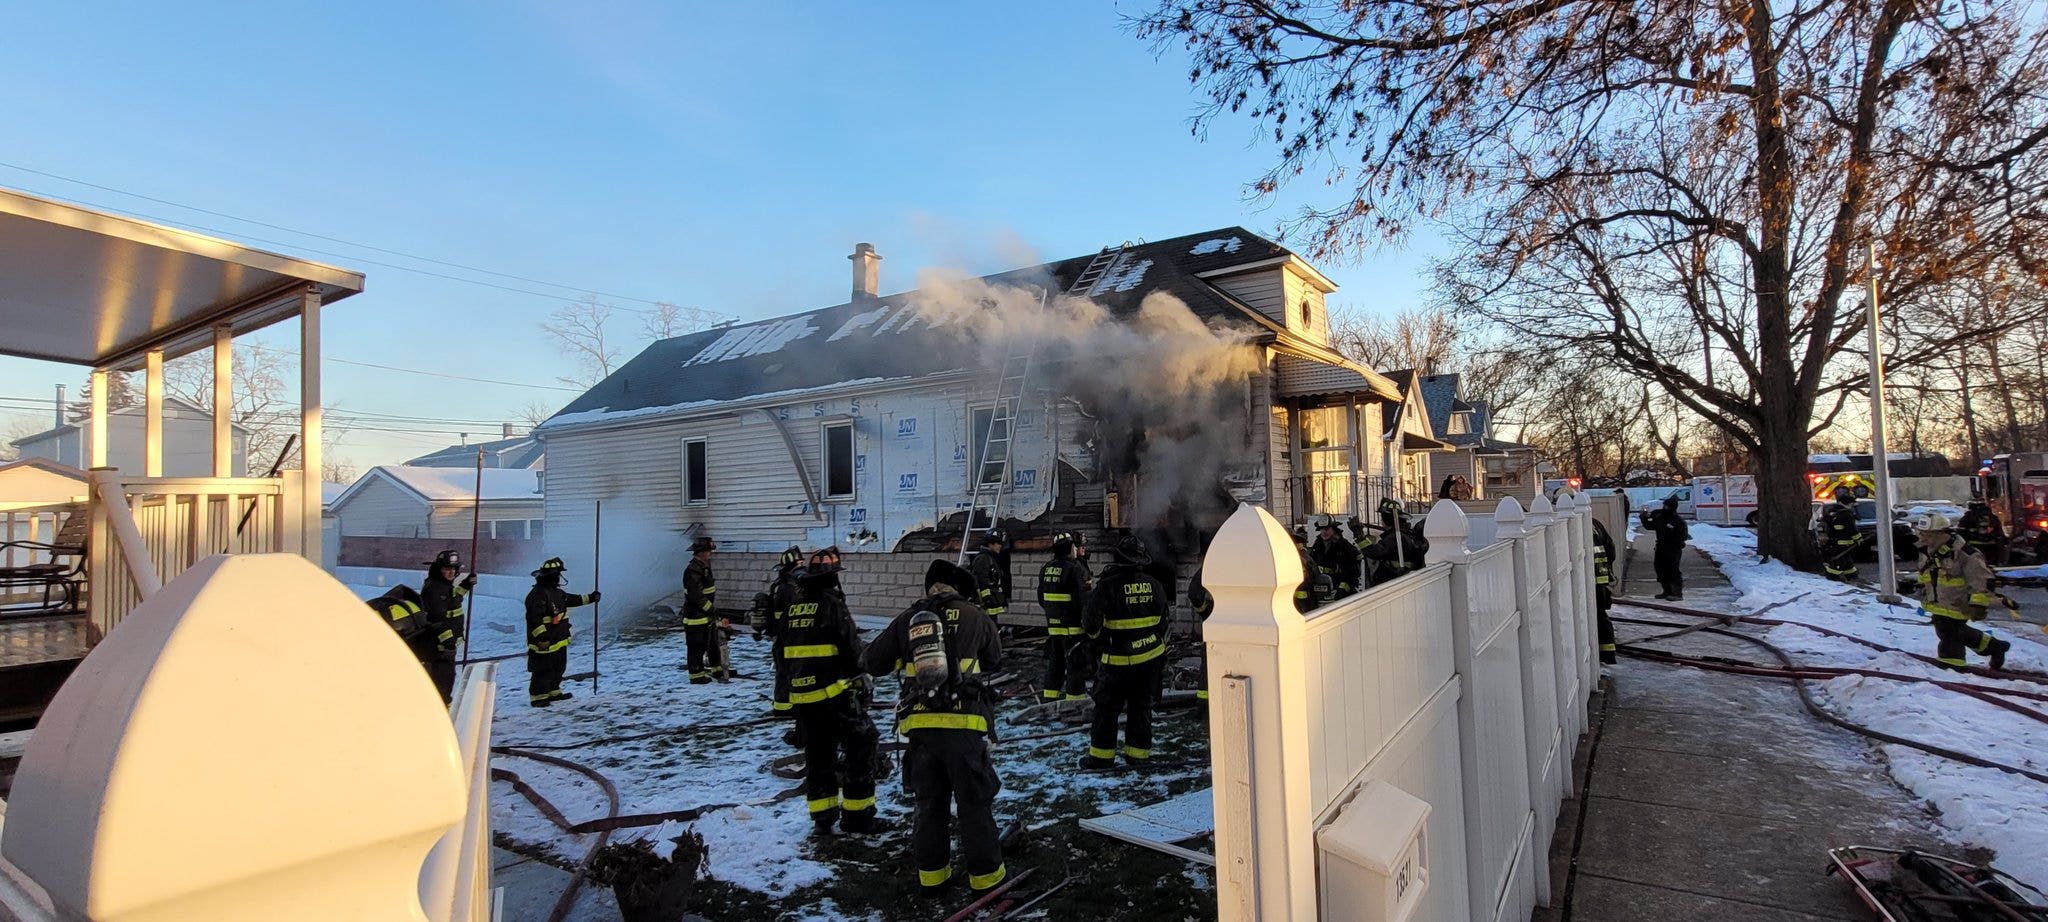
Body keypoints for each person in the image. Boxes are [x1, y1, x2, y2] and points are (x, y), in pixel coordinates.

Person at [862, 560, 1005, 897]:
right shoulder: (975, 615)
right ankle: (986, 880)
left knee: (929, 804)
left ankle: (933, 878)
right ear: (959, 588)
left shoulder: (908, 620)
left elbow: (873, 662)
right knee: (974, 804)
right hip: (965, 725)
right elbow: (996, 659)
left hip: (921, 729)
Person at [778, 546, 882, 836]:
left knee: (818, 755)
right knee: (862, 745)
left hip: (804, 699)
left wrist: (791, 687)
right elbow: (852, 651)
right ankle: (858, 816)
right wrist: (861, 677)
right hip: (834, 695)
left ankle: (822, 817)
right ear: (829, 580)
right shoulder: (832, 605)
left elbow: (779, 655)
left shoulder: (792, 609)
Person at [1081, 535, 1170, 769]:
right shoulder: (1155, 584)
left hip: (1117, 660)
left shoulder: (1107, 586)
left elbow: (1091, 623)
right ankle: (1138, 757)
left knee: (1107, 709)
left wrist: (1097, 643)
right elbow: (1163, 621)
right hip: (1150, 658)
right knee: (1141, 708)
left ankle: (1101, 758)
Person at [1914, 513, 2010, 671]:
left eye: (1928, 535)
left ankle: (1951, 666)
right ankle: (1995, 647)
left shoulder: (1966, 554)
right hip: (1939, 603)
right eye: (1922, 534)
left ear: (1942, 534)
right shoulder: (1927, 550)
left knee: (1949, 634)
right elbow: (1927, 575)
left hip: (1958, 603)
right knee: (1956, 632)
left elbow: (1981, 580)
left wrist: (1978, 605)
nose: (1923, 539)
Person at [524, 557, 598, 706]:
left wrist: (591, 597)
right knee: (542, 669)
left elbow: (572, 599)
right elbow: (534, 619)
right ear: (551, 576)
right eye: (557, 574)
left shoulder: (556, 593)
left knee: (558, 667)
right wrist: (542, 637)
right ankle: (538, 697)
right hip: (544, 642)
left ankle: (553, 691)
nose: (559, 577)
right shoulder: (537, 595)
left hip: (558, 639)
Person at [1036, 532, 1093, 700]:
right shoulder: (1074, 569)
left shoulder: (1046, 568)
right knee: (1076, 664)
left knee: (1056, 663)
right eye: (1074, 547)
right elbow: (1082, 600)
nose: (1076, 549)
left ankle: (1049, 697)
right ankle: (1075, 702)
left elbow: (1041, 598)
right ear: (1069, 549)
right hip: (1073, 626)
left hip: (1054, 625)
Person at [419, 549, 476, 703]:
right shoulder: (433, 589)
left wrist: (466, 584)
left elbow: (454, 599)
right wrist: (447, 640)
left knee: (447, 679)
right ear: (439, 570)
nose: (451, 573)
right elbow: (435, 617)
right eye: (446, 569)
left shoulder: (444, 585)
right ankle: (441, 712)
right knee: (442, 682)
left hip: (447, 646)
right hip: (439, 647)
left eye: (453, 569)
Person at [760, 546, 804, 716]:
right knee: (787, 673)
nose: (801, 568)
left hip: (784, 638)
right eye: (798, 564)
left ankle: (784, 705)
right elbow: (786, 618)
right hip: (787, 639)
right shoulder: (788, 588)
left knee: (786, 672)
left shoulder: (784, 585)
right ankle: (784, 707)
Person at [682, 537, 720, 683]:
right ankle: (696, 676)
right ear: (700, 552)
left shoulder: (704, 566)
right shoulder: (692, 570)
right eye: (708, 551)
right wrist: (711, 609)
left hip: (704, 615)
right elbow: (696, 596)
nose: (711, 553)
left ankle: (716, 669)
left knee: (710, 643)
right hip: (695, 617)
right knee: (696, 647)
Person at [1644, 494, 1691, 600]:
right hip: (1661, 547)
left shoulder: (1678, 521)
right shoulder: (1661, 518)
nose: (1664, 508)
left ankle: (1677, 593)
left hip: (1673, 549)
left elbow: (1682, 536)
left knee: (1673, 570)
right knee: (1660, 569)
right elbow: (1650, 526)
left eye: (1667, 506)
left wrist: (1675, 544)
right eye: (1664, 506)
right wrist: (1644, 518)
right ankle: (1666, 591)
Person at [1310, 517, 1362, 599]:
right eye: (1321, 529)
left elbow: (1351, 570)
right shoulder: (1317, 543)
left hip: (1339, 582)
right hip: (1322, 583)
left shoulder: (1343, 545)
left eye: (1326, 529)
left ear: (1333, 529)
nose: (1324, 532)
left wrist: (1342, 589)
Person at [1818, 487, 1863, 581]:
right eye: (1851, 504)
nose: (1852, 506)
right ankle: (1831, 580)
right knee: (1838, 564)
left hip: (1832, 543)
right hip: (1843, 544)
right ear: (1848, 503)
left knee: (1847, 564)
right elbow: (1852, 529)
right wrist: (1859, 539)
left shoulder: (1831, 512)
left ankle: (1853, 578)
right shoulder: (1846, 514)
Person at [968, 530, 1012, 626]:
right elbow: (980, 581)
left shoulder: (991, 558)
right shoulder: (983, 559)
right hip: (986, 605)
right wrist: (986, 600)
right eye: (998, 543)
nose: (1000, 546)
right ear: (990, 543)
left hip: (991, 604)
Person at [1591, 519, 1617, 665]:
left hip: (1590, 580)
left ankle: (1605, 656)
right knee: (1600, 615)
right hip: (1601, 578)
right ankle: (1608, 655)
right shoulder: (1594, 523)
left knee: (1597, 617)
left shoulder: (1574, 524)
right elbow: (1610, 548)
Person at [1959, 500, 2009, 566]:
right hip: (1992, 549)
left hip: (1974, 549)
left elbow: (1961, 533)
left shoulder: (1967, 518)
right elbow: (2000, 534)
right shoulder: (1993, 517)